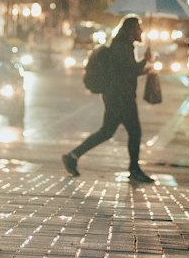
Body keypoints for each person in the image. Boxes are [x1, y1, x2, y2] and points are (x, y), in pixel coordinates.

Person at [62, 14, 154, 183]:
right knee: (134, 132)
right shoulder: (122, 46)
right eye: (139, 28)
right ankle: (134, 169)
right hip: (120, 97)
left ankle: (73, 156)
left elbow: (126, 71)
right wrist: (144, 61)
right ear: (132, 30)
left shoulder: (124, 45)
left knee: (107, 132)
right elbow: (128, 70)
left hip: (117, 95)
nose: (141, 31)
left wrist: (143, 67)